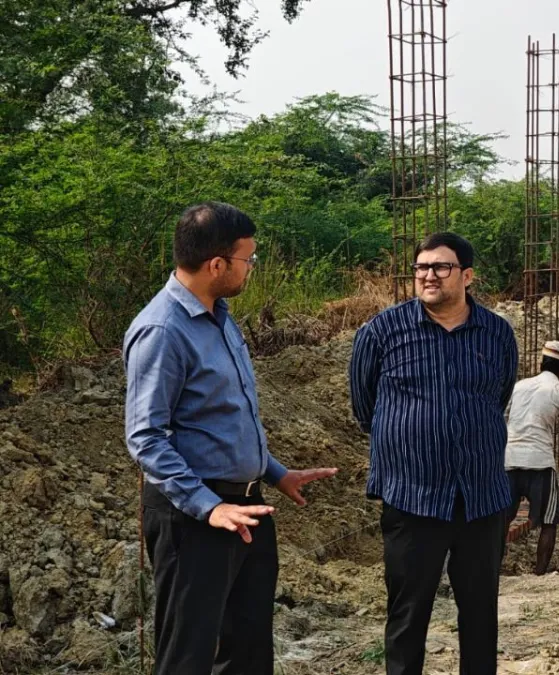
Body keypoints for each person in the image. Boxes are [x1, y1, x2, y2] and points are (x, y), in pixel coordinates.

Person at [123, 202, 338, 675]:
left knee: (247, 651)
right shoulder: (162, 330)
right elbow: (146, 438)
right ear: (217, 264)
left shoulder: (219, 316)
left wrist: (275, 473)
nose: (252, 268)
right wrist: (209, 507)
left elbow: (223, 418)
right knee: (188, 655)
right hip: (194, 517)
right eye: (248, 258)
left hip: (246, 508)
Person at [349, 232, 518, 675]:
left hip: (481, 498)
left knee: (480, 615)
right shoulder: (382, 332)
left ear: (467, 275)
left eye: (441, 267)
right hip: (412, 497)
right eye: (421, 267)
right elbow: (365, 407)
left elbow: (498, 396)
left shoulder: (497, 333)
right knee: (408, 616)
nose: (428, 275)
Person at [503, 341, 559, 574]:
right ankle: (540, 574)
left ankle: (492, 569)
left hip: (510, 460)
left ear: (541, 363)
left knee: (502, 519)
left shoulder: (519, 386)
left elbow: (504, 418)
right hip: (540, 464)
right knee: (549, 521)